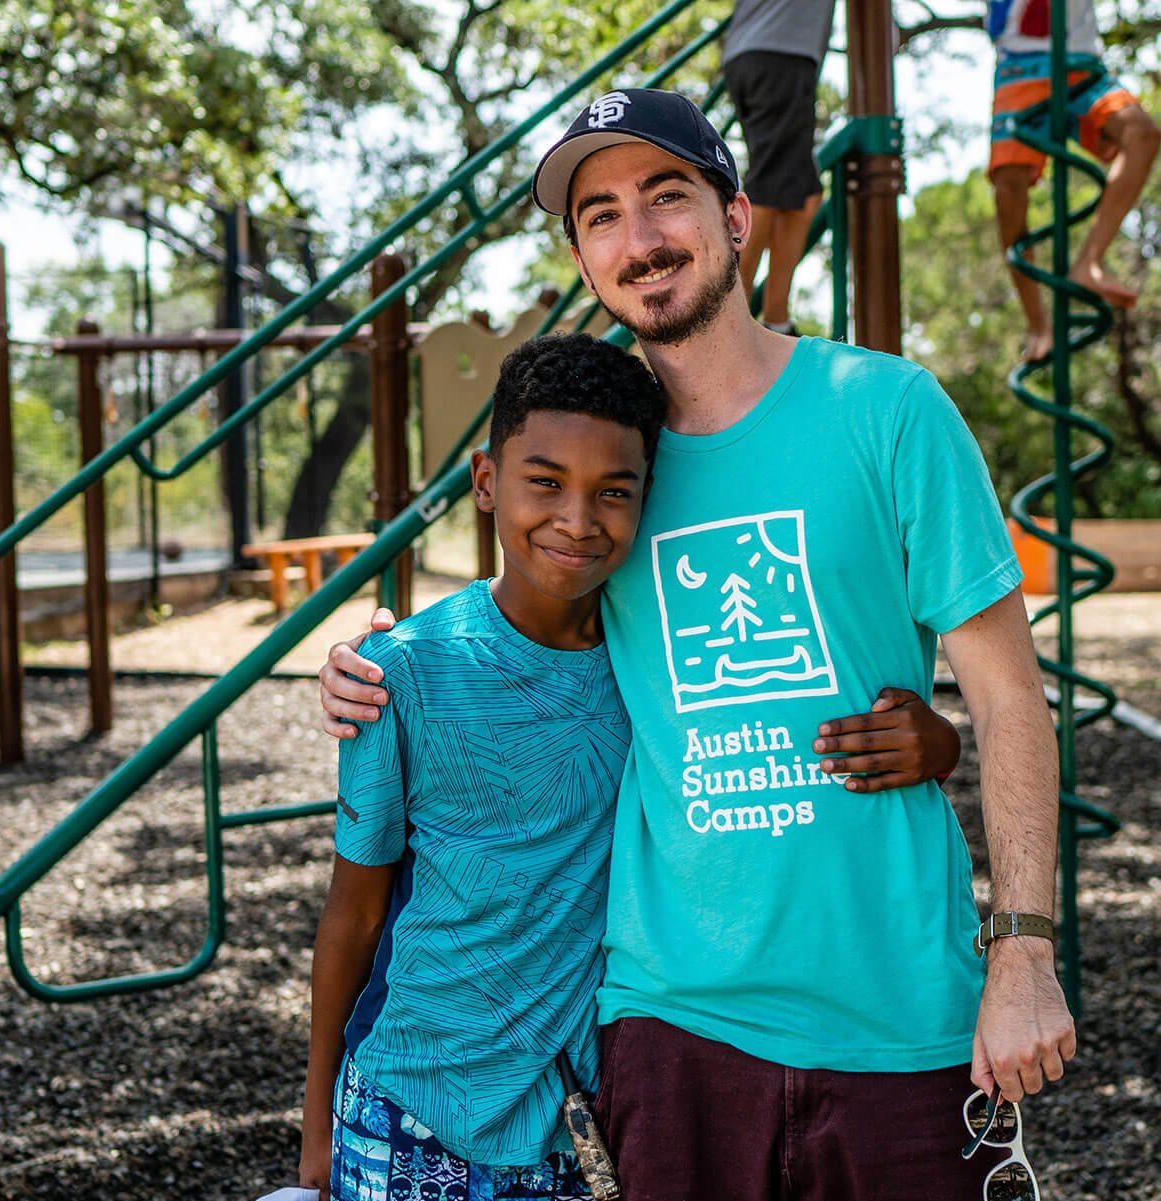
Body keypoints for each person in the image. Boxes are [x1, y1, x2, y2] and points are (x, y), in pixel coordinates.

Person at [321, 89, 1075, 1199]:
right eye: (602, 216)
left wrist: (1022, 951)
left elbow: (1012, 698)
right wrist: (366, 656)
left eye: (666, 196)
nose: (641, 238)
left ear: (735, 217)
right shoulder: (606, 472)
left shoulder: (887, 409)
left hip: (899, 1012)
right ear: (583, 257)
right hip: (670, 1024)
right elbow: (511, 624)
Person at [299, 332, 961, 1200]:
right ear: (486, 480)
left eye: (613, 492)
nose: (578, 519)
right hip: (410, 1102)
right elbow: (353, 914)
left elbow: (783, 728)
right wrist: (314, 1132)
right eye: (545, 482)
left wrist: (939, 741)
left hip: (578, 1119)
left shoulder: (656, 655)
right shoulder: (403, 675)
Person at [987, 0, 1161, 362]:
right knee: (1008, 190)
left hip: (1081, 65)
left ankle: (1089, 262)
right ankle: (1038, 323)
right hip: (1021, 62)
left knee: (1141, 133)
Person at [722, 0, 832, 335]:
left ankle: (777, 319)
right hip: (781, 52)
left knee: (807, 193)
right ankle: (727, 322)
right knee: (769, 190)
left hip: (756, 51)